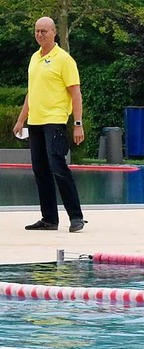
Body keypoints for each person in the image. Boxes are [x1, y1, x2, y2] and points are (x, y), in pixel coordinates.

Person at [12, 16, 87, 233]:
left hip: (54, 120)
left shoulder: (64, 59)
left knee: (58, 166)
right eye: (37, 31)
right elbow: (31, 91)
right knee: (40, 170)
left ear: (54, 32)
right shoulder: (34, 58)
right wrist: (21, 118)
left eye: (44, 31)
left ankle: (76, 217)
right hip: (35, 121)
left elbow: (76, 93)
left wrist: (78, 123)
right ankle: (49, 218)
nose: (40, 35)